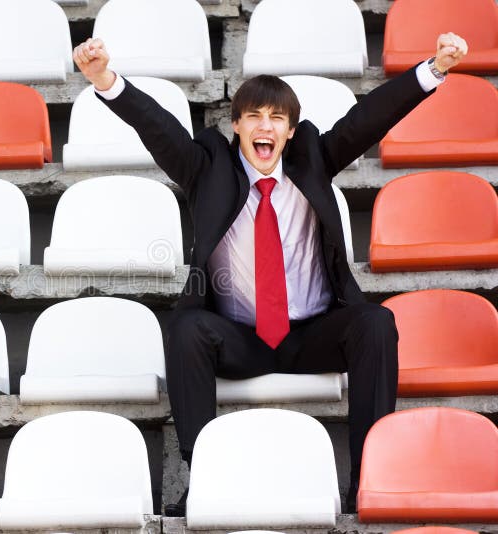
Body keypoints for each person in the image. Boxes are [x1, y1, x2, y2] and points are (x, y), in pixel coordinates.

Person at [72, 32, 468, 515]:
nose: (266, 127)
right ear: (236, 124)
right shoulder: (206, 167)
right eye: (254, 116)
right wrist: (104, 80)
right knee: (186, 327)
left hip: (312, 332)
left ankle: (370, 475)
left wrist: (434, 68)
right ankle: (204, 477)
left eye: (277, 118)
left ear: (290, 131)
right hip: (240, 337)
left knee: (375, 322)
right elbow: (159, 128)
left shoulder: (313, 159)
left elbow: (369, 119)